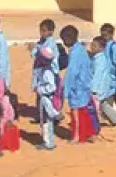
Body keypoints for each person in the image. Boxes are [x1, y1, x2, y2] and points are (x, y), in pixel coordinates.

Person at [61, 25, 99, 143]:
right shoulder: (81, 49)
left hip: (77, 87)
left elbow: (72, 73)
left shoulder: (75, 53)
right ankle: (89, 133)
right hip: (84, 85)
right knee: (84, 110)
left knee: (77, 112)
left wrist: (65, 90)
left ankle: (77, 136)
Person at [30, 23, 61, 151]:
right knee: (44, 115)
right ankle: (47, 140)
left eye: (44, 30)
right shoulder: (42, 44)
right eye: (41, 30)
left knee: (46, 117)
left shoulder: (47, 71)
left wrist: (40, 90)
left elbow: (51, 87)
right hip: (42, 87)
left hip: (46, 92)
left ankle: (48, 143)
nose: (42, 33)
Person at [90, 36, 116, 126]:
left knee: (97, 105)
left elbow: (97, 75)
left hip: (99, 87)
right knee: (103, 105)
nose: (92, 47)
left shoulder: (100, 60)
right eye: (92, 45)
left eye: (94, 46)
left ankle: (94, 123)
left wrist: (93, 89)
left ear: (101, 48)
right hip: (101, 86)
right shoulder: (97, 58)